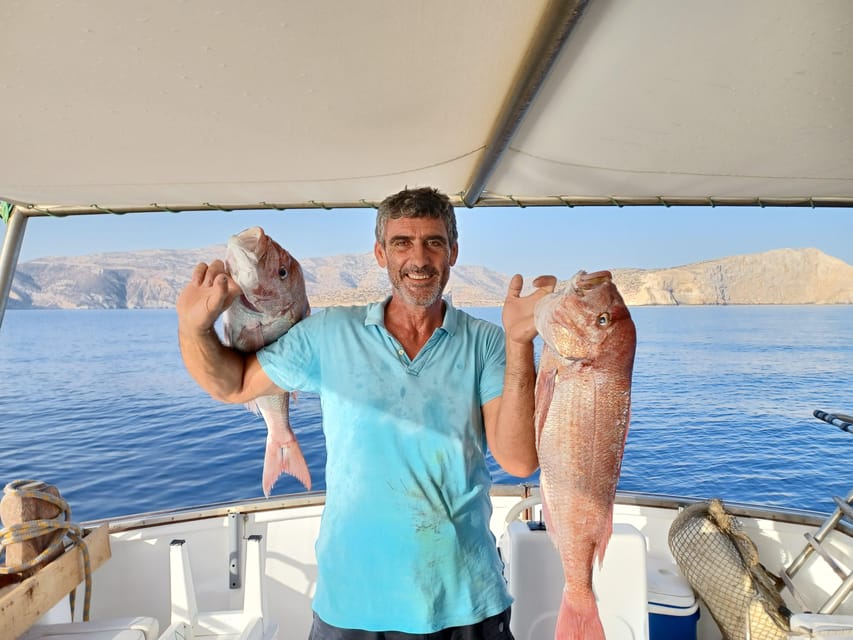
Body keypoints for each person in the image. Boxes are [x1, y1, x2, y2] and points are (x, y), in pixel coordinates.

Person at [176, 186, 556, 640]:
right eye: (402, 243)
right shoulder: (331, 333)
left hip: (465, 603)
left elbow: (518, 461)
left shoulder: (488, 342)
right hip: (352, 605)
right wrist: (193, 325)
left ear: (452, 253)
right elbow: (233, 384)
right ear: (380, 253)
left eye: (433, 242)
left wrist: (519, 342)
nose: (419, 258)